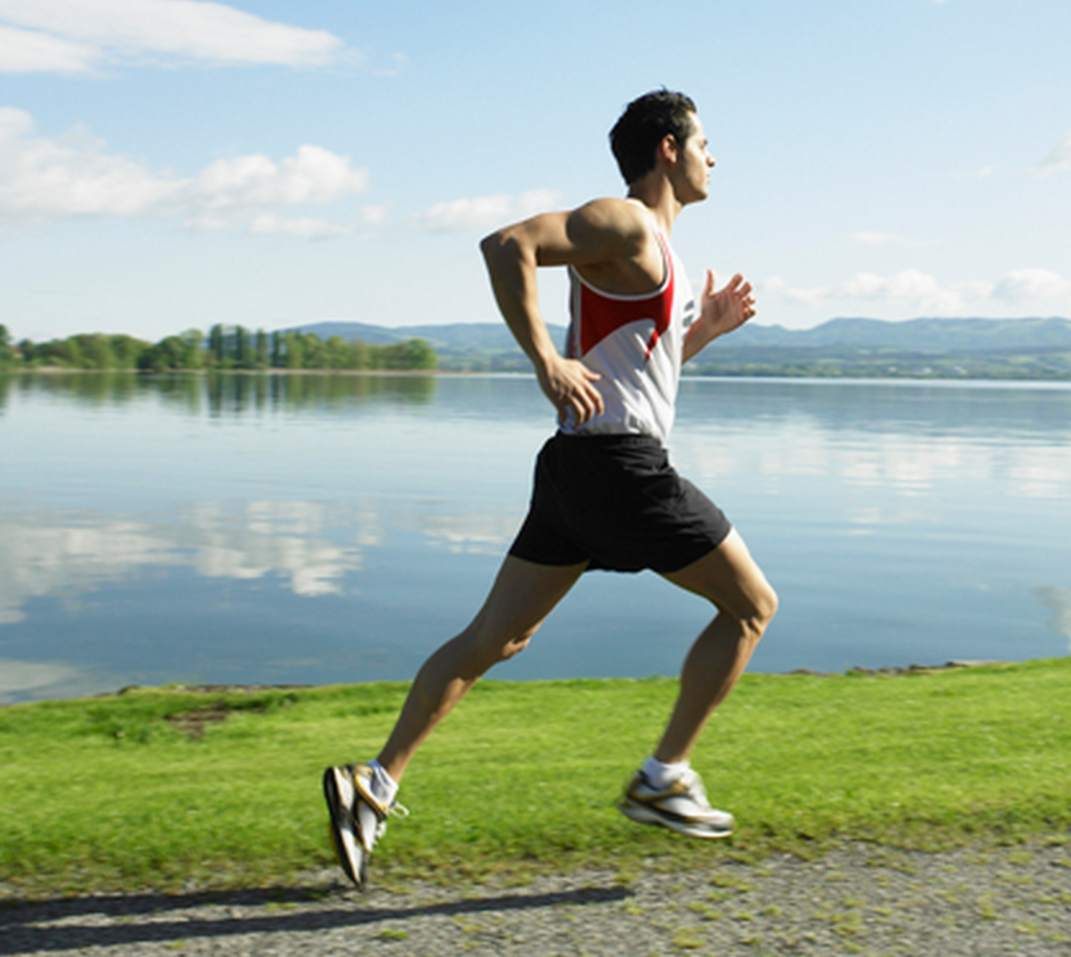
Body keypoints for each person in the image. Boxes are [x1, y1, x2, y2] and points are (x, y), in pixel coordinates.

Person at [323, 89, 778, 887]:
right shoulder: (627, 220)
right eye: (705, 141)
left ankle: (374, 781)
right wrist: (544, 358)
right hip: (620, 471)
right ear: (667, 149)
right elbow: (507, 245)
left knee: (495, 638)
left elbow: (633, 376)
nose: (715, 157)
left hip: (578, 467)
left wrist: (699, 331)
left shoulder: (652, 251)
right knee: (752, 606)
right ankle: (665, 775)